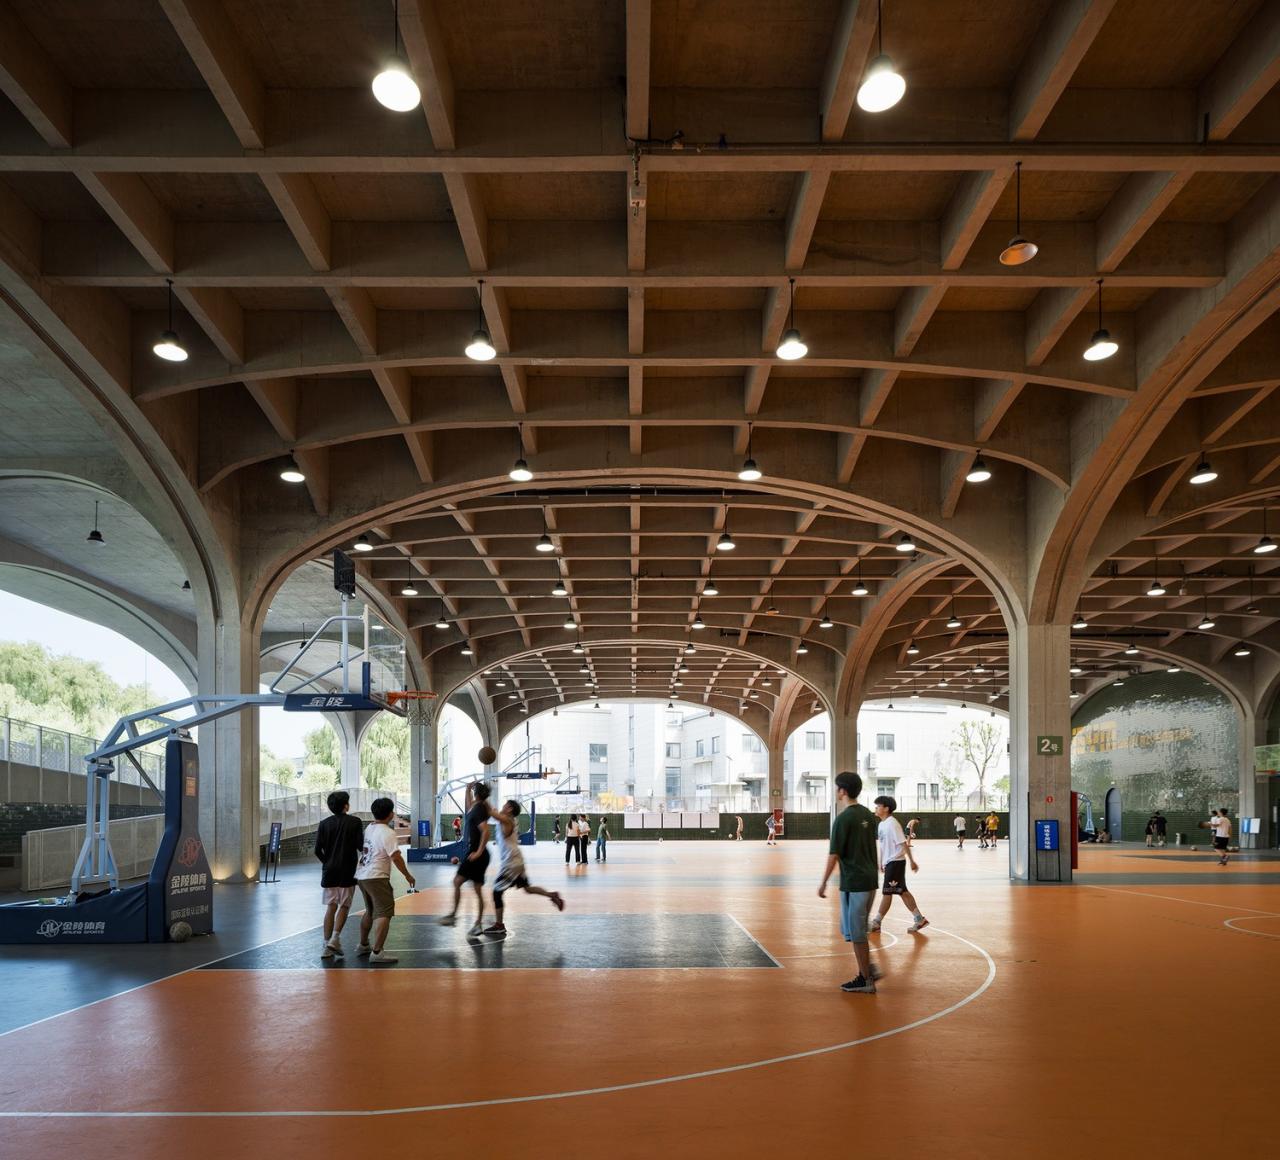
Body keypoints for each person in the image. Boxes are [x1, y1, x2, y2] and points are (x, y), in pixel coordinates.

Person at [818, 770, 881, 995]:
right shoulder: (867, 814)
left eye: (837, 788)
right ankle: (868, 967)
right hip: (870, 880)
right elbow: (873, 846)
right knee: (855, 929)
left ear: (842, 790)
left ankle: (866, 978)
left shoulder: (843, 819)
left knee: (856, 932)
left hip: (854, 882)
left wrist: (823, 882)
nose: (836, 791)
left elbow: (833, 854)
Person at [483, 799, 564, 936]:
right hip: (516, 861)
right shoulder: (503, 819)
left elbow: (490, 812)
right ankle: (552, 895)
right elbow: (491, 814)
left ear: (509, 809)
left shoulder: (508, 820)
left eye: (505, 805)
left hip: (511, 863)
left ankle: (499, 925)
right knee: (527, 889)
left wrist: (482, 796)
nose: (502, 806)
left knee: (497, 892)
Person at [354, 795, 416, 964]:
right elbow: (396, 857)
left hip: (362, 875)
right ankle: (377, 951)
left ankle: (363, 944)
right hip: (376, 876)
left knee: (370, 910)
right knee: (385, 912)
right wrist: (407, 875)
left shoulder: (369, 828)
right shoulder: (387, 832)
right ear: (390, 813)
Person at [314, 789, 364, 959]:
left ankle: (326, 945)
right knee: (344, 905)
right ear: (346, 805)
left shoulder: (324, 824)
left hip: (329, 871)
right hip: (347, 870)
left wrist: (327, 862)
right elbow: (361, 846)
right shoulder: (355, 822)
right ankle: (335, 938)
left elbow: (317, 850)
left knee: (331, 906)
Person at [869, 796, 928, 935]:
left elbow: (903, 843)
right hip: (890, 862)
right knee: (902, 891)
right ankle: (919, 919)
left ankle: (877, 922)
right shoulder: (882, 824)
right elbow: (883, 845)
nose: (876, 809)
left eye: (878, 806)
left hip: (896, 862)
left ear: (886, 808)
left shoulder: (892, 824)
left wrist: (912, 861)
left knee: (887, 892)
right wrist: (881, 862)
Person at [439, 781, 492, 935]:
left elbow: (486, 832)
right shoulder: (477, 807)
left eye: (472, 791)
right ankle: (470, 922)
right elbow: (468, 807)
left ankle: (459, 918)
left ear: (477, 795)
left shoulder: (480, 809)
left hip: (477, 854)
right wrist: (467, 789)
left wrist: (479, 852)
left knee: (462, 884)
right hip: (475, 853)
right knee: (471, 887)